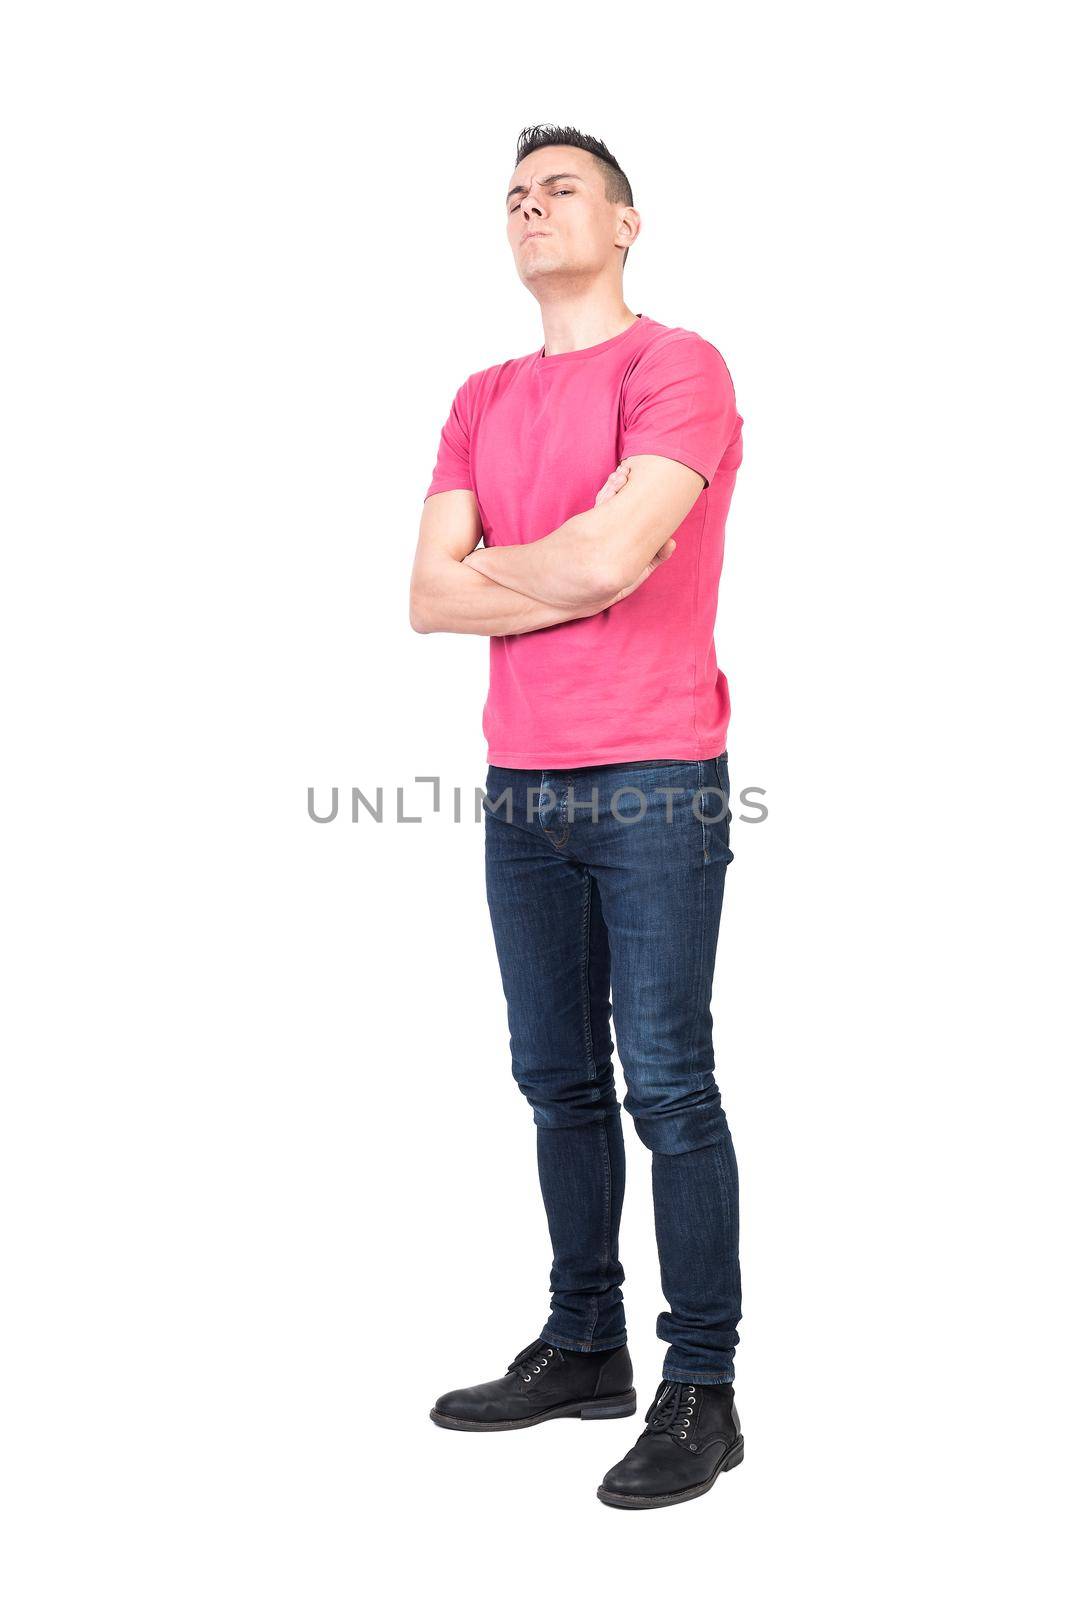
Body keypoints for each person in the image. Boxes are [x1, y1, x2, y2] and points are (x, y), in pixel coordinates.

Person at [409, 123, 745, 1511]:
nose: (531, 209)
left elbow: (614, 557)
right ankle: (586, 1343)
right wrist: (576, 564)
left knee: (666, 1084)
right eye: (514, 197)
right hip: (520, 783)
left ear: (626, 223)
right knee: (554, 1082)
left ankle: (703, 1389)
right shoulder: (482, 395)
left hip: (657, 772)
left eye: (561, 191)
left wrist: (518, 562)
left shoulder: (679, 367)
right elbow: (428, 596)